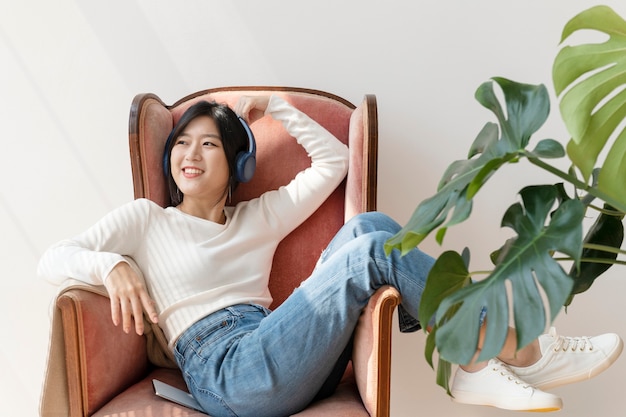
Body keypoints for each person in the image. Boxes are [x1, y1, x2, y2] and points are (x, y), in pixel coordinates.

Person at [38, 94, 623, 416]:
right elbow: (54, 257)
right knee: (370, 252)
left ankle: (483, 356)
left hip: (279, 352)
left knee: (371, 225)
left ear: (238, 165)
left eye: (209, 144)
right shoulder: (147, 220)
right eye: (181, 143)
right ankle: (505, 351)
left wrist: (276, 107)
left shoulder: (257, 217)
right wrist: (110, 264)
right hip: (227, 373)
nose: (190, 154)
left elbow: (336, 164)